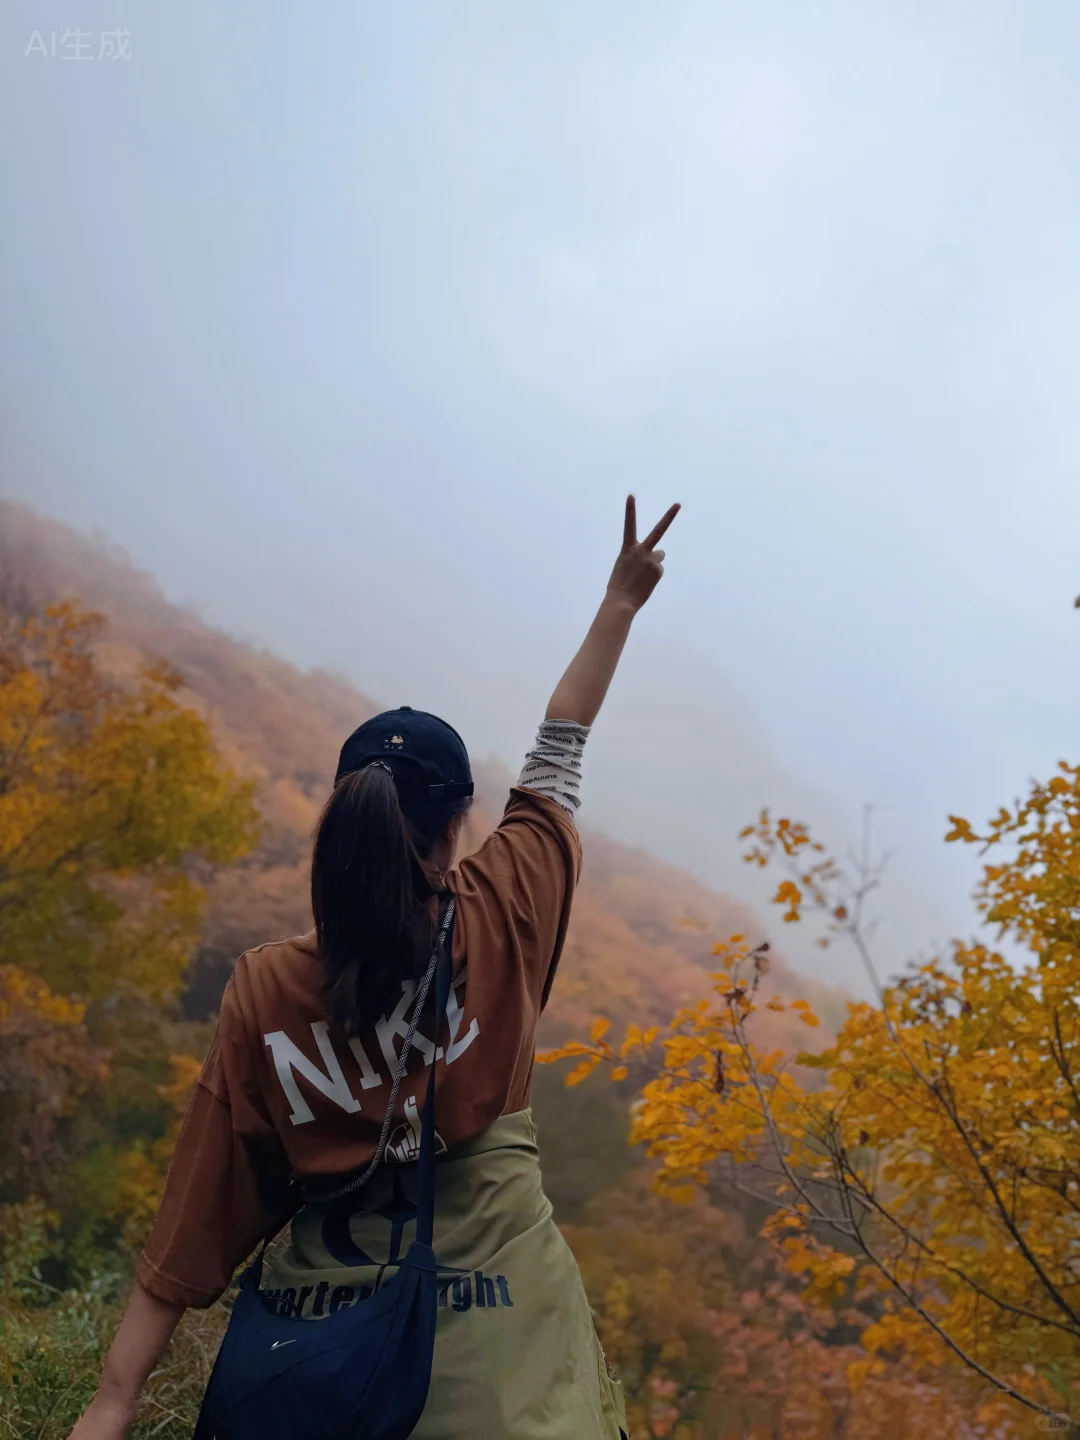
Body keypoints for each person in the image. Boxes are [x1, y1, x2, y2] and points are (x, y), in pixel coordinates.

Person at [68, 494, 680, 1440]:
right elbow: (559, 752)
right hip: (503, 1361)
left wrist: (114, 1400)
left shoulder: (265, 990)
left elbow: (198, 1214)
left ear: (344, 824)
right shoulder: (505, 910)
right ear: (456, 826)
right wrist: (620, 603)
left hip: (317, 1368)